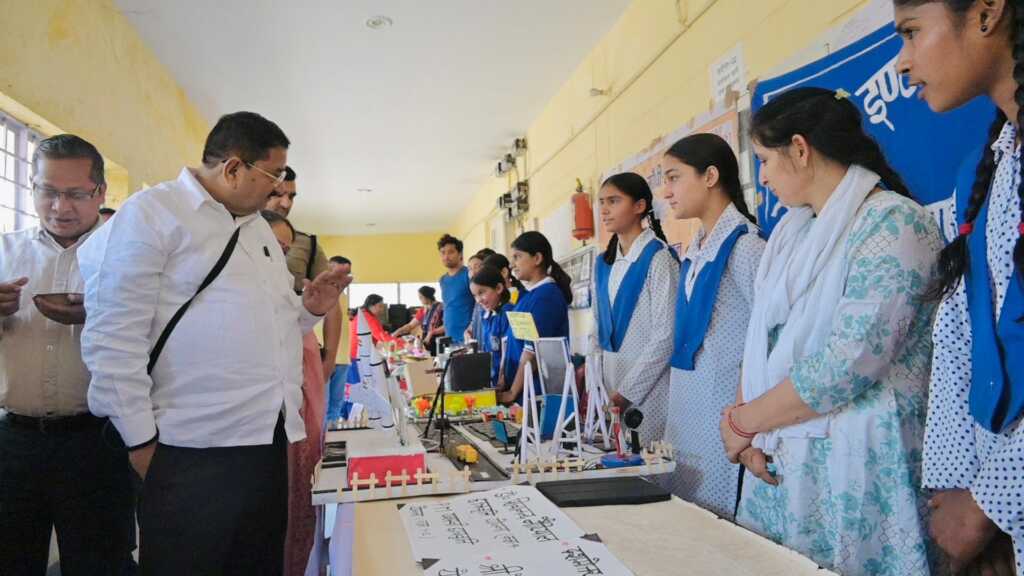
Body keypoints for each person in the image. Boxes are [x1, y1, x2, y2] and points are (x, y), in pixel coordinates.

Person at [79, 112, 350, 575]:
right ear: (234, 168)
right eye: (274, 175)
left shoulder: (257, 229)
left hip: (265, 441)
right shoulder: (153, 214)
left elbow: (277, 324)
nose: (279, 190)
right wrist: (140, 441)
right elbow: (113, 337)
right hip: (191, 446)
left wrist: (311, 309)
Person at [716, 87, 942, 575]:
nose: (762, 177)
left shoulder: (894, 223)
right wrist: (746, 429)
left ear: (800, 149)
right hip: (781, 461)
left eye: (765, 160)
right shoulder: (791, 235)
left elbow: (849, 361)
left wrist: (746, 421)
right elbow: (764, 338)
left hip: (857, 468)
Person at [895, 1, 1024, 572]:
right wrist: (958, 489)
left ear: (986, 13)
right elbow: (958, 337)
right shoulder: (986, 166)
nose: (902, 62)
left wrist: (990, 501)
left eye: (912, 32)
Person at [0, 134, 133, 575]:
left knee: (100, 565)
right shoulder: (4, 252)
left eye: (76, 194)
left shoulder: (128, 259)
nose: (60, 207)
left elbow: (156, 341)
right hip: (12, 442)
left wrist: (103, 314)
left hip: (96, 443)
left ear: (101, 192)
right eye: (48, 191)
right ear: (32, 187)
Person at [658, 133, 764, 519]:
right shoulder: (696, 249)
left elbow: (769, 337)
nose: (665, 192)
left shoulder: (747, 246)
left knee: (720, 526)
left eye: (674, 178)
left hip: (724, 411)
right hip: (687, 409)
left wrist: (748, 419)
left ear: (710, 176)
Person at [261, 210, 335, 576]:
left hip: (291, 405)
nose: (281, 257)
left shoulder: (287, 292)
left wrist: (329, 358)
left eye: (286, 250)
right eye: (273, 247)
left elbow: (308, 317)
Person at [589, 172, 679, 448]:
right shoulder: (603, 264)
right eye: (601, 202)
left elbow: (666, 336)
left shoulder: (659, 258)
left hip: (648, 389)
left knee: (649, 460)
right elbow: (596, 329)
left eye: (614, 201)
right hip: (608, 388)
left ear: (639, 206)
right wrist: (596, 384)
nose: (604, 210)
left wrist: (626, 393)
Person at [265, 165, 343, 385]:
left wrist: (329, 361)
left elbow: (331, 303)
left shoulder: (307, 244)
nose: (286, 204)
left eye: (291, 196)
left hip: (296, 351)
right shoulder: (230, 235)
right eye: (277, 194)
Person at [497, 231, 572, 405]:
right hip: (523, 392)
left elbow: (532, 352)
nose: (512, 264)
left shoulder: (546, 297)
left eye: (517, 257)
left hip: (537, 395)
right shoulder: (529, 295)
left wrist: (512, 393)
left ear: (537, 258)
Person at [470, 266, 513, 388]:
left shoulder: (508, 313)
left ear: (499, 288)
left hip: (505, 382)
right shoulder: (487, 315)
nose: (478, 300)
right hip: (493, 380)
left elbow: (507, 351)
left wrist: (501, 377)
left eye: (482, 292)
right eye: (475, 295)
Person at [325, 256, 353, 424]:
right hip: (324, 356)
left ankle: (333, 433)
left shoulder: (344, 296)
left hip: (343, 358)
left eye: (347, 273)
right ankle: (321, 436)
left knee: (336, 403)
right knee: (322, 404)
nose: (343, 277)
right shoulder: (316, 292)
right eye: (339, 272)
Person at [437, 234, 475, 345]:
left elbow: (480, 306)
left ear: (460, 254)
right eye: (443, 253)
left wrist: (471, 328)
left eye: (450, 252)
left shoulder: (468, 274)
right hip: (449, 337)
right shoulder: (443, 280)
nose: (446, 256)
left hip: (468, 337)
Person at [392, 286, 445, 354]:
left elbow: (446, 326)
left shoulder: (442, 308)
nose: (420, 299)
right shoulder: (423, 310)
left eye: (421, 297)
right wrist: (397, 332)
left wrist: (431, 333)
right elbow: (410, 326)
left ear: (427, 297)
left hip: (439, 341)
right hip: (426, 340)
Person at [465, 248, 496, 343]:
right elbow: (475, 320)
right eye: (469, 268)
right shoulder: (477, 297)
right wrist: (469, 330)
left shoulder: (493, 298)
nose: (473, 272)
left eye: (477, 267)